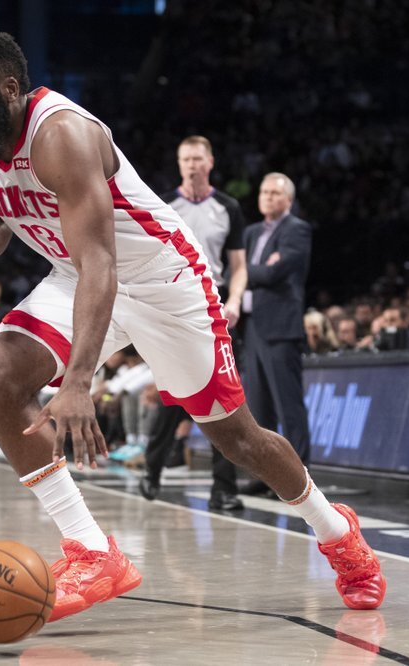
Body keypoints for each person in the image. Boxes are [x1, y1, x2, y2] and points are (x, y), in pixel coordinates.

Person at [0, 28, 385, 619]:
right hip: (76, 275)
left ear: (11, 88)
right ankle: (92, 549)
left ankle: (337, 533)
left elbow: (104, 261)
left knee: (237, 439)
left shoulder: (62, 134)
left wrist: (77, 385)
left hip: (160, 279)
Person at [141, 135, 248, 510]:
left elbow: (238, 266)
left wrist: (234, 300)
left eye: (197, 158)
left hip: (216, 306)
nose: (191, 165)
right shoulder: (163, 204)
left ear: (210, 162)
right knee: (173, 397)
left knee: (226, 400)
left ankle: (224, 488)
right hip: (174, 305)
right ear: (179, 163)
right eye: (185, 159)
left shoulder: (228, 207)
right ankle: (151, 472)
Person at [240, 173, 313, 470]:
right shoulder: (252, 232)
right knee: (259, 410)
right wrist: (254, 270)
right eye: (264, 191)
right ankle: (267, 476)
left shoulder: (297, 229)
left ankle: (300, 476)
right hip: (252, 327)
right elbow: (236, 274)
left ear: (289, 200)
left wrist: (249, 272)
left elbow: (274, 273)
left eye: (274, 193)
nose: (267, 197)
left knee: (288, 407)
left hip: (281, 328)